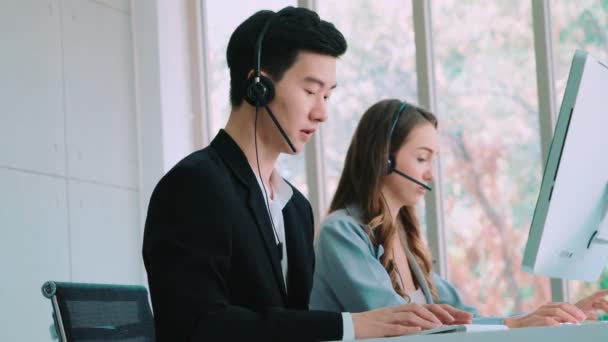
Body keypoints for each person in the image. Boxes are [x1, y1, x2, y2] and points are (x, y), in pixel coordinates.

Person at [142, 8, 461, 341]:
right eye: (311, 91)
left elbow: (295, 322)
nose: (322, 112)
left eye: (328, 95)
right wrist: (350, 325)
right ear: (258, 86)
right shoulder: (194, 186)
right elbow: (196, 326)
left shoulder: (296, 208)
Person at [310, 98, 608, 328]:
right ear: (384, 159)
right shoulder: (341, 233)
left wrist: (557, 316)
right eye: (421, 158)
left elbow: (465, 318)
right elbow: (403, 325)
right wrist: (515, 324)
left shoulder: (405, 242)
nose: (431, 174)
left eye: (433, 160)